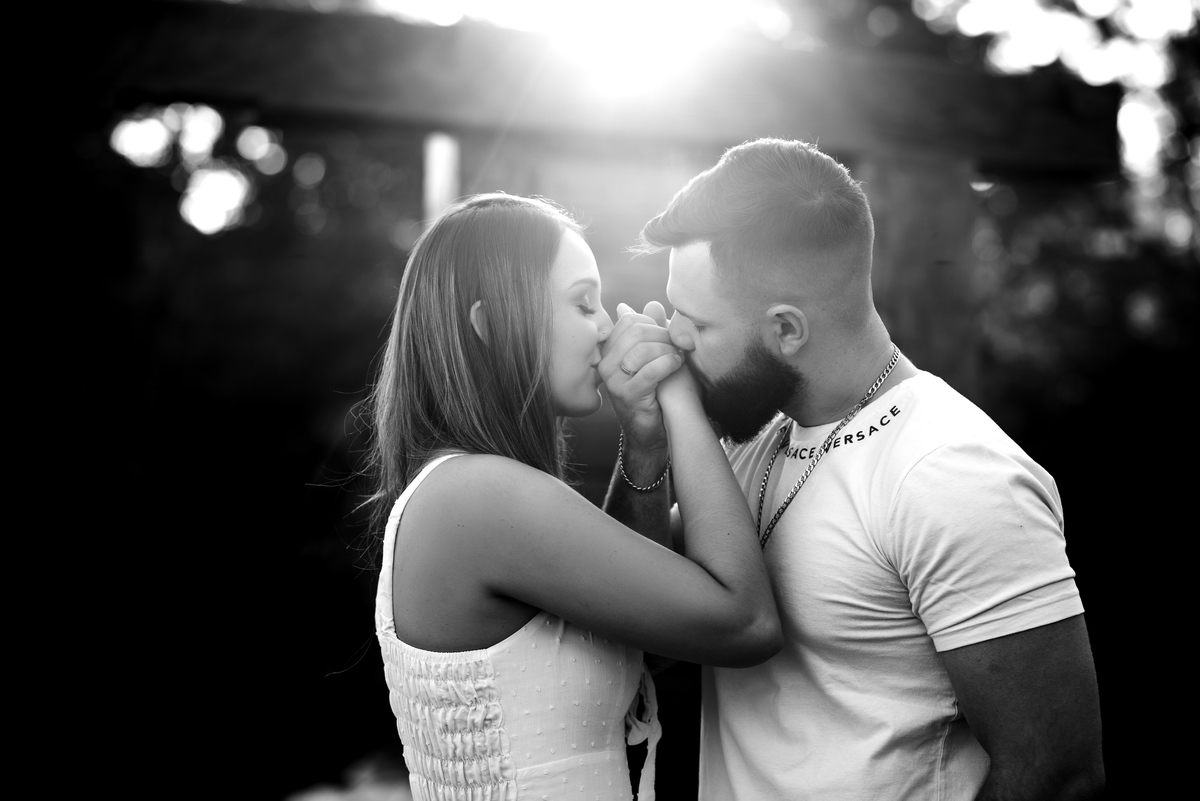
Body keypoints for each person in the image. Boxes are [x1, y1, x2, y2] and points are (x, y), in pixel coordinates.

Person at [602, 139, 1105, 800]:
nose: (673, 338)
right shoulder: (759, 438)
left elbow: (1058, 777)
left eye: (697, 322)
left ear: (787, 330)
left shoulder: (949, 472)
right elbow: (652, 634)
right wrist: (644, 445)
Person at [362, 192, 781, 801]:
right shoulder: (482, 496)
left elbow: (645, 637)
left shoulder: (467, 490)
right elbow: (746, 623)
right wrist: (678, 396)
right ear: (491, 324)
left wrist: (643, 444)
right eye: (584, 303)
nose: (607, 326)